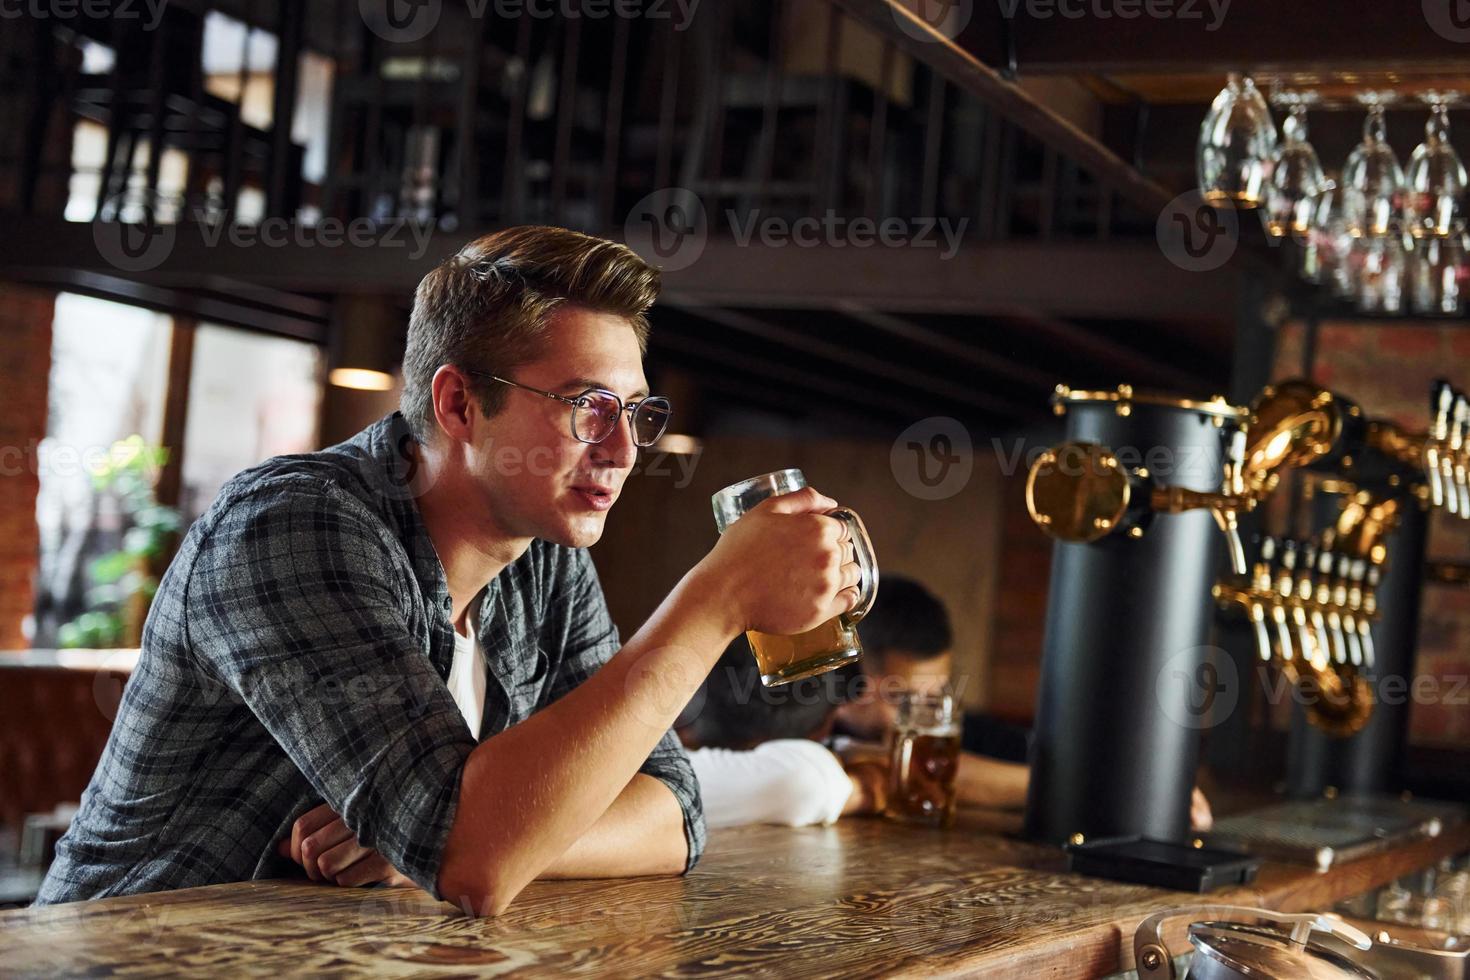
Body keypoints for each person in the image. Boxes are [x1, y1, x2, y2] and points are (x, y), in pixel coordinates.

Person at [37, 226, 866, 914]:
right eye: (589, 408)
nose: (621, 451)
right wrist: (715, 598)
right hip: (125, 959)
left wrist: (440, 842)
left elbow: (675, 816)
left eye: (636, 414)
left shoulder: (543, 559)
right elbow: (475, 862)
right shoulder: (293, 526)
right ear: (458, 404)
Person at [834, 576, 1213, 829]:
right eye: (901, 698)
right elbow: (929, 775)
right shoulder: (813, 732)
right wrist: (1100, 793)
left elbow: (1047, 757)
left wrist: (1142, 783)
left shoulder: (958, 730)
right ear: (850, 682)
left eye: (934, 698)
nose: (924, 717)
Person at [677, 639, 885, 829]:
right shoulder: (801, 779)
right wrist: (866, 788)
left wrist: (843, 749)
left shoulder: (665, 760)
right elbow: (807, 781)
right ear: (823, 728)